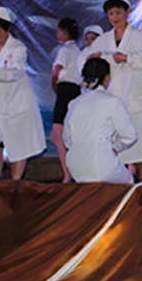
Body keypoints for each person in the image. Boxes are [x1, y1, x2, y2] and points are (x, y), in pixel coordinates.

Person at [80, 0, 142, 182]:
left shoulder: (138, 36)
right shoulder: (104, 39)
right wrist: (94, 57)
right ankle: (120, 177)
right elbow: (83, 57)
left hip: (134, 93)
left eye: (118, 12)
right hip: (112, 95)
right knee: (115, 138)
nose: (115, 17)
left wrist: (127, 58)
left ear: (127, 12)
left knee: (140, 138)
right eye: (111, 13)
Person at [0, 5, 46, 180]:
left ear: (8, 30)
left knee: (18, 145)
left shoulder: (18, 48)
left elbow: (17, 70)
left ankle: (15, 182)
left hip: (15, 100)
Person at [64, 58, 138, 183]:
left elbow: (67, 140)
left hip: (74, 167)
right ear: (107, 78)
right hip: (102, 164)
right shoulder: (112, 101)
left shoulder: (74, 103)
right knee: (129, 182)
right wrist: (114, 147)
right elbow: (130, 136)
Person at [50, 17, 82, 183]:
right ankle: (70, 171)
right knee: (60, 135)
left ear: (63, 31)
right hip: (75, 90)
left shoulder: (65, 50)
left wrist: (53, 84)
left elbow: (56, 70)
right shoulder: (77, 50)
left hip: (65, 89)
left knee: (58, 133)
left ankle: (68, 173)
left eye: (59, 30)